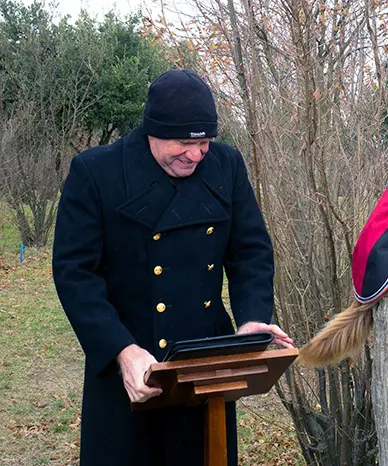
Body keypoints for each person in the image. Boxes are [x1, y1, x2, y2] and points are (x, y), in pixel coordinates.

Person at [52, 69, 293, 466]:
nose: (196, 155)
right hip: (126, 363)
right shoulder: (96, 172)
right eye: (184, 143)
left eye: (204, 143)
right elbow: (75, 273)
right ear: (153, 131)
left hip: (205, 363)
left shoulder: (227, 165)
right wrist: (122, 351)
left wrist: (251, 321)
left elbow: (250, 250)